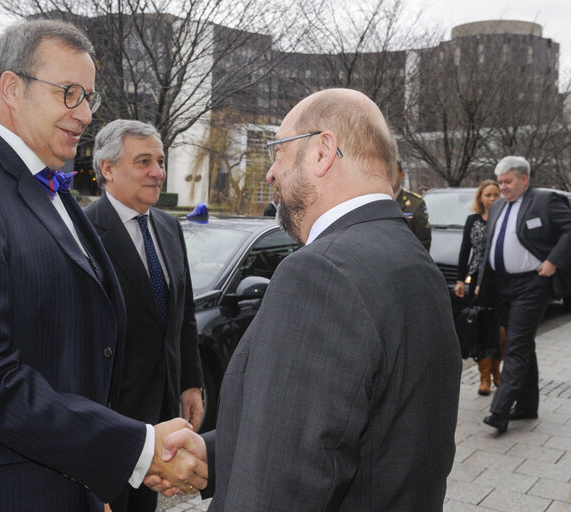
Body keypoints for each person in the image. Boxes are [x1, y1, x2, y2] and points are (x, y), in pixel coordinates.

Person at [0, 20, 206, 512]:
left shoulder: (53, 191)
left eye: (88, 97)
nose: (84, 114)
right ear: (12, 88)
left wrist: (95, 477)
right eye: (69, 93)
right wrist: (134, 449)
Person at [153, 88, 462, 510]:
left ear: (322, 151)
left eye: (278, 152)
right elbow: (346, 435)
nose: (270, 174)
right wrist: (217, 455)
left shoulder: (320, 272)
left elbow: (280, 488)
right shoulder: (414, 261)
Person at [84, 120, 204, 512]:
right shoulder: (83, 232)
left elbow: (181, 316)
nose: (158, 172)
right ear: (107, 168)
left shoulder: (169, 228)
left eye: (160, 161)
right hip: (110, 417)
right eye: (143, 161)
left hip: (164, 409)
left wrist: (190, 384)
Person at [479, 156, 571, 433]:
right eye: (499, 181)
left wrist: (553, 261)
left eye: (508, 181)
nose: (502, 187)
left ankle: (500, 411)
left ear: (524, 179)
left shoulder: (544, 201)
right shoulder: (496, 208)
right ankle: (528, 406)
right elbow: (489, 247)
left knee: (516, 346)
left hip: (533, 285)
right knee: (524, 344)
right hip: (503, 286)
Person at [454, 179, 503, 395]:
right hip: (474, 277)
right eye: (488, 195)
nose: (492, 199)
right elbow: (465, 251)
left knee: (499, 327)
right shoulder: (472, 220)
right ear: (480, 198)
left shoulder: (503, 218)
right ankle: (484, 377)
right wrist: (461, 280)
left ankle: (497, 370)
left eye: (495, 195)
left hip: (499, 278)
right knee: (480, 326)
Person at [393, 160, 431, 251]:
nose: (389, 177)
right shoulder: (376, 200)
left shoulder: (415, 203)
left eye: (393, 172)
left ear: (402, 175)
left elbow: (423, 239)